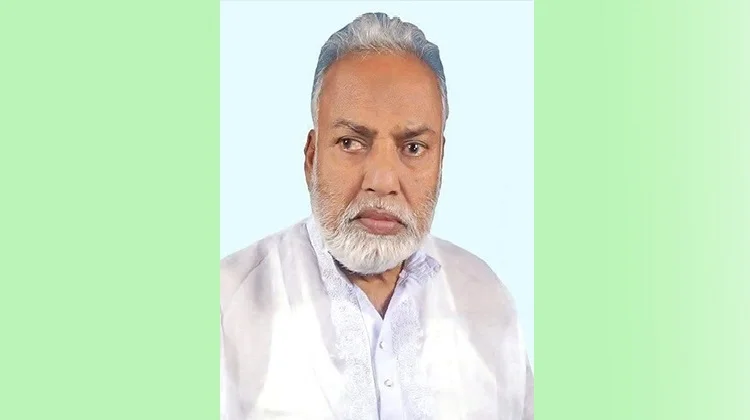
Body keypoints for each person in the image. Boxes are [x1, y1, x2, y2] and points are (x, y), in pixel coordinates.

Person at [221, 12, 533, 420]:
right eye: (351, 143)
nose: (382, 181)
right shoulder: (227, 306)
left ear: (440, 162)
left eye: (413, 148)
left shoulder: (486, 298)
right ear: (311, 157)